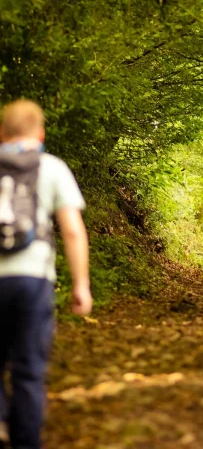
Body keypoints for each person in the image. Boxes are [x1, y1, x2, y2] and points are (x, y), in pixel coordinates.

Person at [0, 100, 92, 449]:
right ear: (40, 133)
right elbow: (72, 229)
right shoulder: (51, 167)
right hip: (32, 280)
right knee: (28, 369)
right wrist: (81, 285)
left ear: (2, 133)